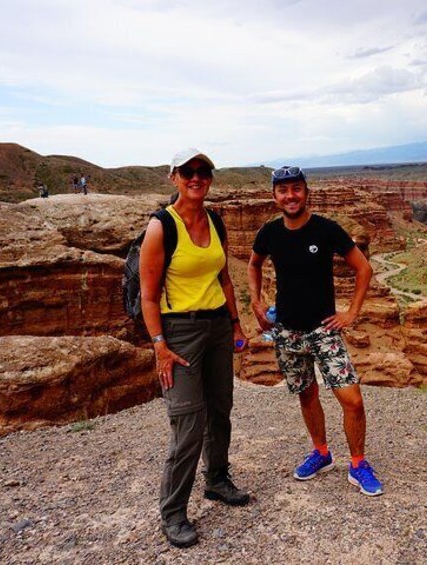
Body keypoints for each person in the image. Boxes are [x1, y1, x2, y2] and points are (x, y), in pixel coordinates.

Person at [247, 165, 383, 497]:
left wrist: (351, 311)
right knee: (307, 395)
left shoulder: (326, 230)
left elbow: (363, 268)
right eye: (283, 190)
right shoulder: (270, 233)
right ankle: (321, 453)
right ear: (274, 196)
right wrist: (256, 300)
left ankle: (358, 464)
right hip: (288, 333)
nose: (290, 196)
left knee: (352, 400)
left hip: (324, 330)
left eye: (296, 189)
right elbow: (253, 264)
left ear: (307, 192)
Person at [140, 148, 250, 548]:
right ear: (174, 177)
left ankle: (217, 480)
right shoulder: (161, 227)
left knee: (220, 410)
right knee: (188, 423)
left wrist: (236, 325)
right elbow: (149, 297)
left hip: (218, 326)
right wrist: (160, 348)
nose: (197, 177)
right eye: (188, 171)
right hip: (179, 332)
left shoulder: (215, 220)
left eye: (204, 171)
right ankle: (173, 512)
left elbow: (223, 280)